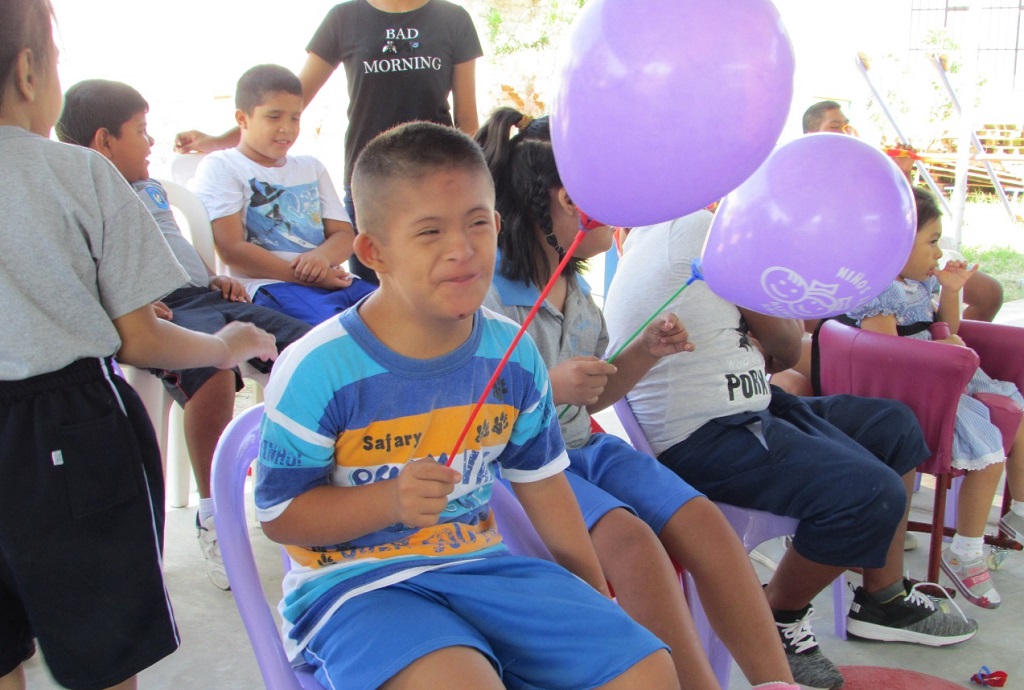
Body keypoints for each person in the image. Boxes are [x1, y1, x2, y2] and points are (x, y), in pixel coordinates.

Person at [253, 121, 681, 690]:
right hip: (358, 588)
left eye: (477, 223)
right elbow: (281, 516)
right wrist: (390, 500)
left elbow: (546, 486)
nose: (462, 249)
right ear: (373, 251)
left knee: (645, 670)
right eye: (429, 232)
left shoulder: (513, 354)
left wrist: (588, 596)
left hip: (483, 567)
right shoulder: (319, 369)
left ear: (498, 226)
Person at [0, 2, 278, 688]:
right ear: (31, 72)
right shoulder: (79, 173)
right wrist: (225, 345)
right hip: (68, 432)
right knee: (103, 653)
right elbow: (140, 339)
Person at [475, 108, 798, 690]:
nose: (626, 212)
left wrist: (643, 352)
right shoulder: (490, 293)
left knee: (702, 521)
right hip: (518, 468)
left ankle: (777, 681)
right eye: (614, 194)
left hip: (584, 449)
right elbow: (470, 406)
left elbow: (597, 394)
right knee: (632, 543)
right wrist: (549, 386)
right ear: (572, 200)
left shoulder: (577, 290)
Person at [604, 209, 980, 690]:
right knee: (871, 494)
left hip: (751, 404)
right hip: (705, 433)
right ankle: (778, 615)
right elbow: (784, 342)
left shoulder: (666, 228)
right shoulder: (705, 230)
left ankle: (881, 598)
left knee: (894, 426)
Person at [54, 78, 313, 591]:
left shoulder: (149, 187)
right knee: (212, 371)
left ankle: (305, 487)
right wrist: (126, 303)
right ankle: (215, 515)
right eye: (140, 131)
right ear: (105, 141)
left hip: (203, 296)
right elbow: (76, 267)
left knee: (314, 349)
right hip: (159, 314)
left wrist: (210, 275)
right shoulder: (77, 192)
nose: (151, 142)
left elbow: (175, 243)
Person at [175, 0, 483, 284]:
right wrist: (218, 141)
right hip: (371, 183)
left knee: (439, 282)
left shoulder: (453, 19)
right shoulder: (344, 18)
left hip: (436, 184)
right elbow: (294, 99)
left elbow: (467, 120)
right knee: (377, 292)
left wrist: (465, 182)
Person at [845, 186, 1024, 609]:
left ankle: (1017, 518)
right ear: (893, 244)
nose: (938, 252)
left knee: (1017, 410)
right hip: (917, 390)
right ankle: (964, 552)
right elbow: (887, 357)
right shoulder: (880, 291)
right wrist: (940, 352)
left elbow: (945, 324)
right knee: (990, 449)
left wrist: (952, 290)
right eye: (931, 241)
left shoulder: (914, 284)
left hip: (945, 372)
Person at [190, 64, 375, 327]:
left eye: (295, 118)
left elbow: (344, 236)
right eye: (274, 117)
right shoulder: (223, 165)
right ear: (243, 119)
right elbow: (232, 249)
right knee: (338, 332)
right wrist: (309, 277)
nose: (286, 128)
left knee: (403, 315)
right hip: (270, 286)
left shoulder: (311, 167)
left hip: (332, 280)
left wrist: (321, 258)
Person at [803, 100, 1004, 323]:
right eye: (835, 126)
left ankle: (949, 344)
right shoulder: (807, 178)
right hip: (859, 270)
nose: (845, 132)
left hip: (905, 255)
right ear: (813, 134)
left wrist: (903, 174)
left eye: (846, 125)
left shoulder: (865, 164)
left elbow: (909, 214)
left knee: (990, 293)